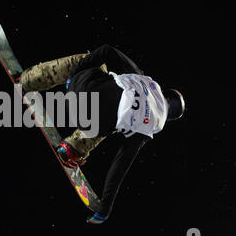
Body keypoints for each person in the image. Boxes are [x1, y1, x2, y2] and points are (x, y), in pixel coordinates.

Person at [16, 44, 185, 224]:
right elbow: (120, 165)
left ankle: (27, 81)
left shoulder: (144, 79)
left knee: (90, 65)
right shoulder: (147, 129)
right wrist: (105, 208)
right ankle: (72, 149)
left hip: (78, 86)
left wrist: (76, 73)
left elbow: (107, 50)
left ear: (165, 93)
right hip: (81, 118)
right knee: (114, 123)